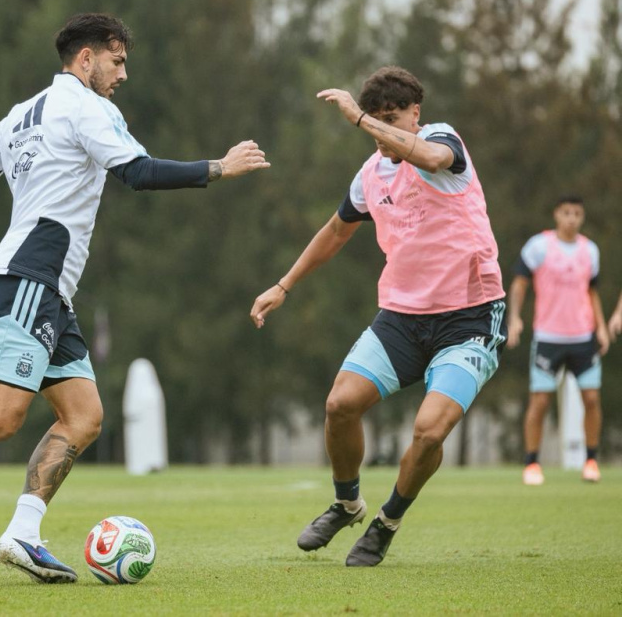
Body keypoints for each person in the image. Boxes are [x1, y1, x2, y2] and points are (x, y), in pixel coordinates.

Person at [0, 12, 269, 583]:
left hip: (47, 290)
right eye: (117, 61)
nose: (123, 75)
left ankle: (22, 533)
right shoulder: (86, 108)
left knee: (84, 417)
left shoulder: (22, 114)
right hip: (27, 281)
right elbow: (138, 173)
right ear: (85, 59)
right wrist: (220, 168)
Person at [250, 66, 505, 567]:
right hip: (402, 319)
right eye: (375, 120)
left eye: (392, 119)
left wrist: (359, 117)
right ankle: (347, 503)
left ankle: (385, 523)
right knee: (340, 404)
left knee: (430, 431)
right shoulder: (371, 174)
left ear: (416, 113)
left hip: (469, 319)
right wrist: (284, 285)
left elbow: (429, 156)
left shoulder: (440, 140)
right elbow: (335, 232)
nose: (381, 132)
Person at [507, 196, 609, 485]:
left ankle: (590, 461)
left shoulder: (590, 250)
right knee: (540, 401)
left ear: (583, 217)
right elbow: (519, 284)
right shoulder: (539, 246)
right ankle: (531, 464)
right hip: (548, 337)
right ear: (556, 215)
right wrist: (514, 318)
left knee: (591, 398)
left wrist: (600, 327)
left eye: (577, 213)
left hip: (583, 337)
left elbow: (592, 292)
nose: (572, 218)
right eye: (567, 213)